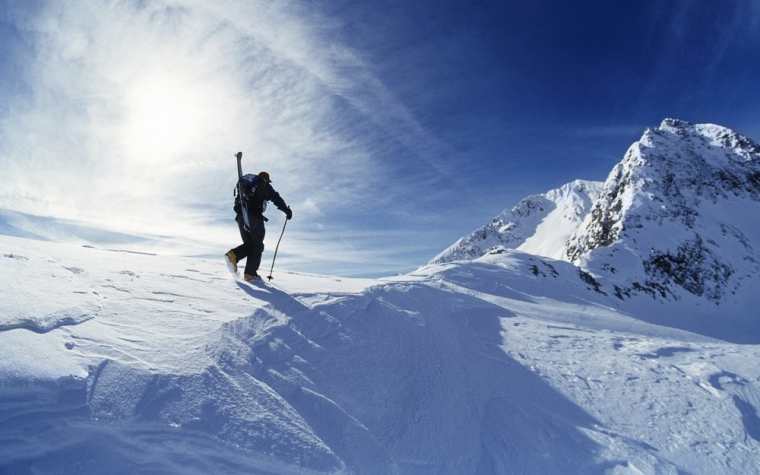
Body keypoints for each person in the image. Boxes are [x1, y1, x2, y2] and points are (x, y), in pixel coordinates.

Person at [225, 171, 292, 281]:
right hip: (254, 217)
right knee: (257, 245)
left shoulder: (248, 185)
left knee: (251, 245)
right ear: (266, 179)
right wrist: (287, 210)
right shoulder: (264, 185)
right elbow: (276, 198)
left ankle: (235, 258)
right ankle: (250, 274)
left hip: (241, 217)